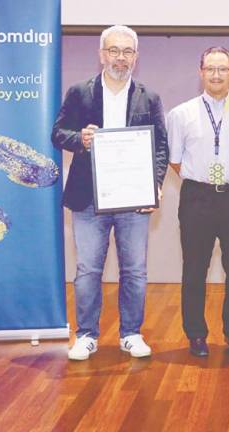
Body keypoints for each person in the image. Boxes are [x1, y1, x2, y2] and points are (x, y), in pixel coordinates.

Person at [51, 25, 168, 360]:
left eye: (127, 51)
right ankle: (86, 335)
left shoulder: (149, 96)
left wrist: (155, 185)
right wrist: (80, 140)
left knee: (135, 270)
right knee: (88, 269)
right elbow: (58, 133)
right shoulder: (80, 92)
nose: (121, 57)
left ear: (136, 57)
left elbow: (161, 146)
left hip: (133, 199)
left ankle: (131, 333)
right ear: (101, 54)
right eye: (114, 50)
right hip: (88, 199)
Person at [167, 47, 229, 357]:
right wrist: (205, 180)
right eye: (210, 68)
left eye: (223, 69)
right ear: (201, 72)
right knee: (194, 268)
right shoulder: (180, 114)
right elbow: (175, 160)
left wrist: (226, 178)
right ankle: (195, 334)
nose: (216, 75)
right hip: (197, 196)